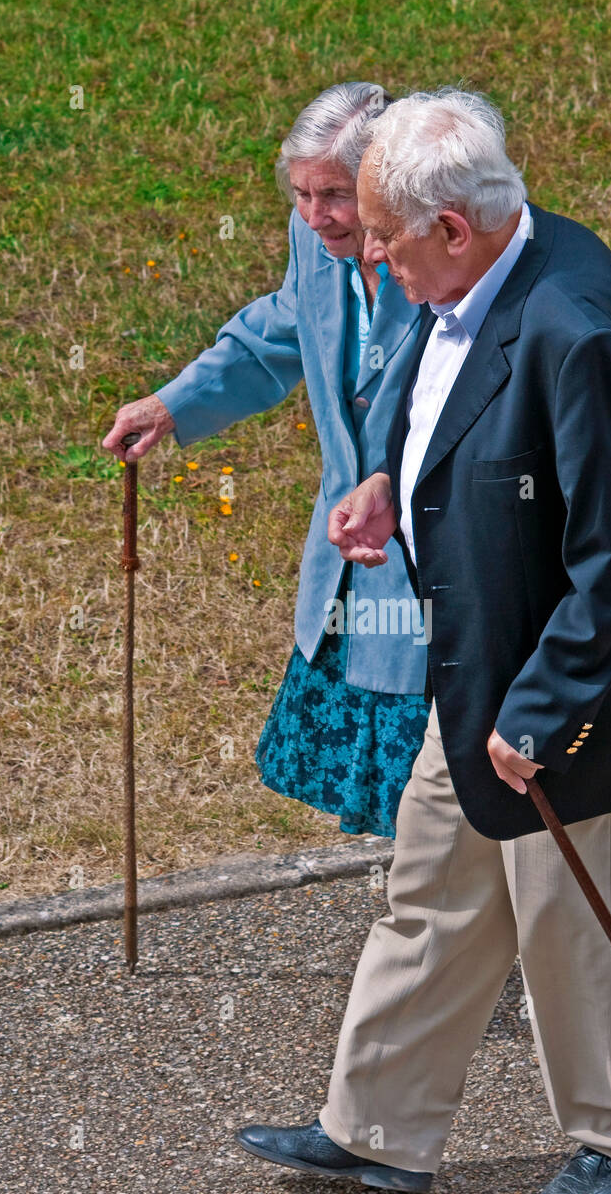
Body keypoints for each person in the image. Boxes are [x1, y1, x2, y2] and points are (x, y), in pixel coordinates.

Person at [234, 89, 611, 1194]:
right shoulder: (465, 274)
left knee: (574, 914)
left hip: (576, 683)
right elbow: (424, 394)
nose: (368, 254)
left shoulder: (571, 323)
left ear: (452, 227)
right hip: (475, 661)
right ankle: (375, 1126)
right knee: (432, 882)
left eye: (384, 236)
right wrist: (380, 478)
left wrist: (538, 714)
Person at [102, 83, 430, 838]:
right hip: (350, 561)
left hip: (435, 561)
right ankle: (443, 928)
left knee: (442, 778)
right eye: (302, 194)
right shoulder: (315, 243)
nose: (316, 216)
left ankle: (450, 931)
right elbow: (284, 329)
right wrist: (174, 404)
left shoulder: (436, 252)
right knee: (398, 796)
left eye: (337, 196)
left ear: (383, 184)